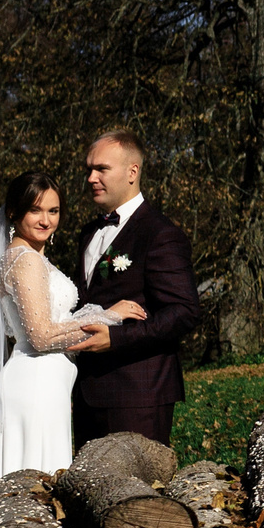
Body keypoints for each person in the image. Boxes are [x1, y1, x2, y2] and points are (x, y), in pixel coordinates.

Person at [0, 171, 145, 499]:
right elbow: (42, 337)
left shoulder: (26, 257)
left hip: (43, 383)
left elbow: (48, 324)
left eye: (54, 211)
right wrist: (111, 315)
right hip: (35, 385)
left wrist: (102, 315)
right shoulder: (25, 261)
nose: (46, 220)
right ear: (14, 214)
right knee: (34, 480)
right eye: (36, 210)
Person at [67, 129, 201, 448]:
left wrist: (115, 338)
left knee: (137, 495)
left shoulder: (160, 233)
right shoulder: (87, 233)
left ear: (132, 172)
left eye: (101, 169)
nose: (91, 178)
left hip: (137, 396)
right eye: (88, 169)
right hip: (86, 394)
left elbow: (184, 312)